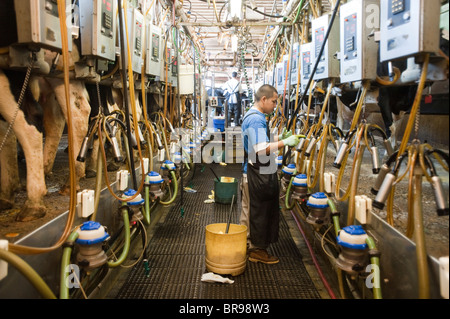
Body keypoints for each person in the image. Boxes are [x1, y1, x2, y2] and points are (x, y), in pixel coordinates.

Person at [240, 84, 300, 264]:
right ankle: (254, 250)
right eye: (274, 102)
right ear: (264, 99)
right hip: (254, 174)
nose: (275, 106)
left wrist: (279, 139)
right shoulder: (257, 119)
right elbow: (259, 149)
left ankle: (248, 246)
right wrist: (285, 143)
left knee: (250, 212)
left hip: (253, 172)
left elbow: (257, 142)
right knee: (256, 213)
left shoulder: (253, 116)